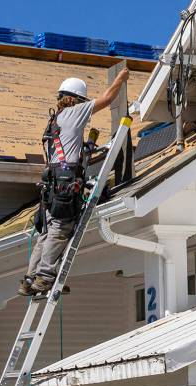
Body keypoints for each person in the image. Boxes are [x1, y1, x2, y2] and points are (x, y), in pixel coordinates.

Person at [18, 68, 129, 296]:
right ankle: (46, 276)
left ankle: (31, 279)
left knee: (47, 232)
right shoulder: (75, 112)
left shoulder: (55, 120)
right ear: (76, 99)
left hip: (53, 183)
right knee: (60, 229)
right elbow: (108, 98)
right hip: (64, 183)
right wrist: (121, 78)